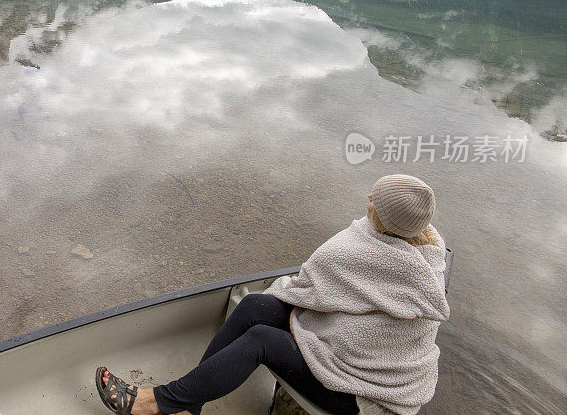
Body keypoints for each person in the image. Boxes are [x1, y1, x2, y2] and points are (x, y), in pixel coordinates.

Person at [96, 174, 450, 415]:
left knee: (261, 339)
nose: (369, 199)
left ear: (383, 217)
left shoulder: (360, 253)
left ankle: (155, 403)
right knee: (254, 305)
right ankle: (189, 405)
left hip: (367, 393)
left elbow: (311, 288)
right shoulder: (426, 250)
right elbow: (333, 299)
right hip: (360, 359)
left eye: (376, 200)